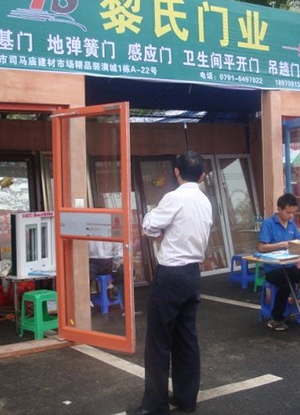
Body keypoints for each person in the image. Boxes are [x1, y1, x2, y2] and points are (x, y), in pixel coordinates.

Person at [127, 151, 212, 415]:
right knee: (186, 337)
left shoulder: (174, 197)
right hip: (192, 275)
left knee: (158, 341)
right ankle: (187, 399)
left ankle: (155, 405)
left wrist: (159, 234)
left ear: (176, 172)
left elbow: (149, 226)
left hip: (170, 274)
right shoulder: (205, 201)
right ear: (202, 176)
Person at [257, 192, 300, 331]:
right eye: (288, 212)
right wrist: (282, 244)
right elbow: (261, 247)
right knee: (286, 283)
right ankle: (275, 319)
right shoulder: (268, 224)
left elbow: (298, 241)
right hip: (273, 269)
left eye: (293, 212)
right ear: (279, 209)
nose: (291, 216)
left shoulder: (292, 224)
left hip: (290, 267)